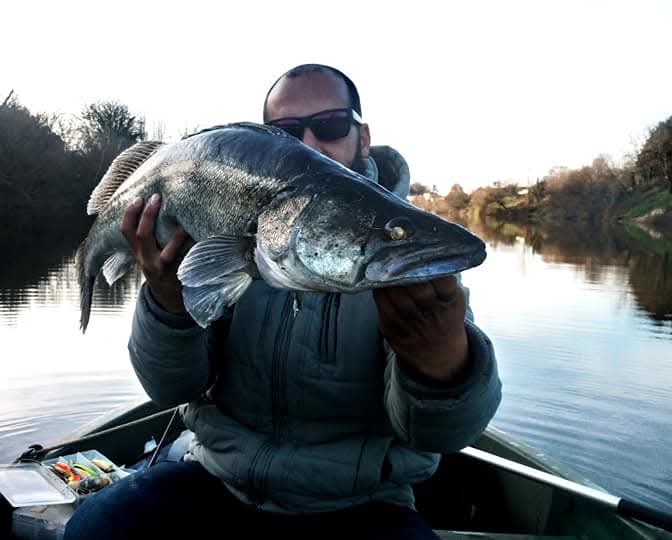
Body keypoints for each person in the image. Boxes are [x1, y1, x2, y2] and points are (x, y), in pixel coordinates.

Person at [65, 64, 502, 539]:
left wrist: (439, 367)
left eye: (332, 125)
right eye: (287, 133)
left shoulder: (407, 266)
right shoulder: (212, 251)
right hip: (219, 482)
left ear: (363, 137)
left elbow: (443, 436)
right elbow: (172, 389)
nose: (311, 144)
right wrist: (169, 305)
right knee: (97, 526)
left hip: (362, 505)